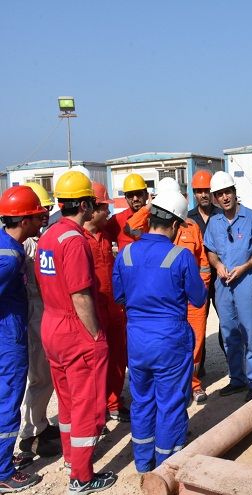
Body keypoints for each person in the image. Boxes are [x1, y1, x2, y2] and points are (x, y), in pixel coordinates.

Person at [112, 190, 206, 473]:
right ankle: (166, 468)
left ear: (150, 217)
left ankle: (143, 463)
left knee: (142, 401)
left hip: (137, 342)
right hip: (170, 341)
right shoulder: (181, 256)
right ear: (176, 225)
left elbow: (119, 295)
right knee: (171, 403)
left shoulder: (126, 253)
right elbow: (198, 298)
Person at [35, 171, 117, 494]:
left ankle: (72, 458)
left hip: (51, 326)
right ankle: (82, 477)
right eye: (92, 203)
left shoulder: (48, 236)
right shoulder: (75, 241)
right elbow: (80, 295)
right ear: (84, 205)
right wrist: (96, 337)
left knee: (67, 402)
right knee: (86, 405)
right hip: (74, 329)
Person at [125, 178, 211, 403]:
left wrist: (202, 285)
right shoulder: (149, 226)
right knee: (168, 346)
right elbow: (130, 228)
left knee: (195, 342)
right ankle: (173, 389)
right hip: (166, 299)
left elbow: (202, 261)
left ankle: (193, 383)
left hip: (190, 297)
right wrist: (149, 207)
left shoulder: (190, 226)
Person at [204, 171, 252, 402]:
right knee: (229, 333)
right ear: (215, 198)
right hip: (223, 285)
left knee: (250, 332)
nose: (225, 197)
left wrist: (245, 266)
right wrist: (218, 265)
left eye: (228, 192)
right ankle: (237, 379)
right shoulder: (214, 222)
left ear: (234, 192)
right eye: (220, 194)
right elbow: (210, 250)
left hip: (245, 281)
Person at [0, 186, 46, 493]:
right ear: (24, 220)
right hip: (7, 337)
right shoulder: (11, 257)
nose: (41, 220)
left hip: (8, 331)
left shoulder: (4, 244)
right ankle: (3, 472)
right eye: (37, 216)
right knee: (8, 401)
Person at [17, 182, 62, 462]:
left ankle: (40, 423)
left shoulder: (39, 237)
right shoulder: (24, 243)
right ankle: (30, 434)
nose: (44, 215)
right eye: (39, 211)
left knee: (45, 374)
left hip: (44, 309)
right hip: (33, 310)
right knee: (38, 375)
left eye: (46, 209)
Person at [83, 183, 129, 422]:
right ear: (92, 208)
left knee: (118, 356)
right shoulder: (78, 239)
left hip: (114, 307)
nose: (108, 212)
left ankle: (114, 402)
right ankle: (96, 409)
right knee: (95, 362)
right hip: (92, 309)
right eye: (104, 208)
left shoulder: (105, 234)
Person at [187, 170, 224, 374]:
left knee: (227, 323)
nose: (203, 194)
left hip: (221, 279)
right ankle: (198, 369)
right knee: (197, 326)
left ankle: (234, 366)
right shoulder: (188, 218)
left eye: (207, 190)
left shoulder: (222, 215)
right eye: (199, 191)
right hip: (198, 281)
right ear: (194, 193)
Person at [105, 173, 148, 251]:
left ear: (147, 195)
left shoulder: (156, 219)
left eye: (139, 193)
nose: (135, 199)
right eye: (130, 195)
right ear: (126, 198)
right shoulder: (117, 220)